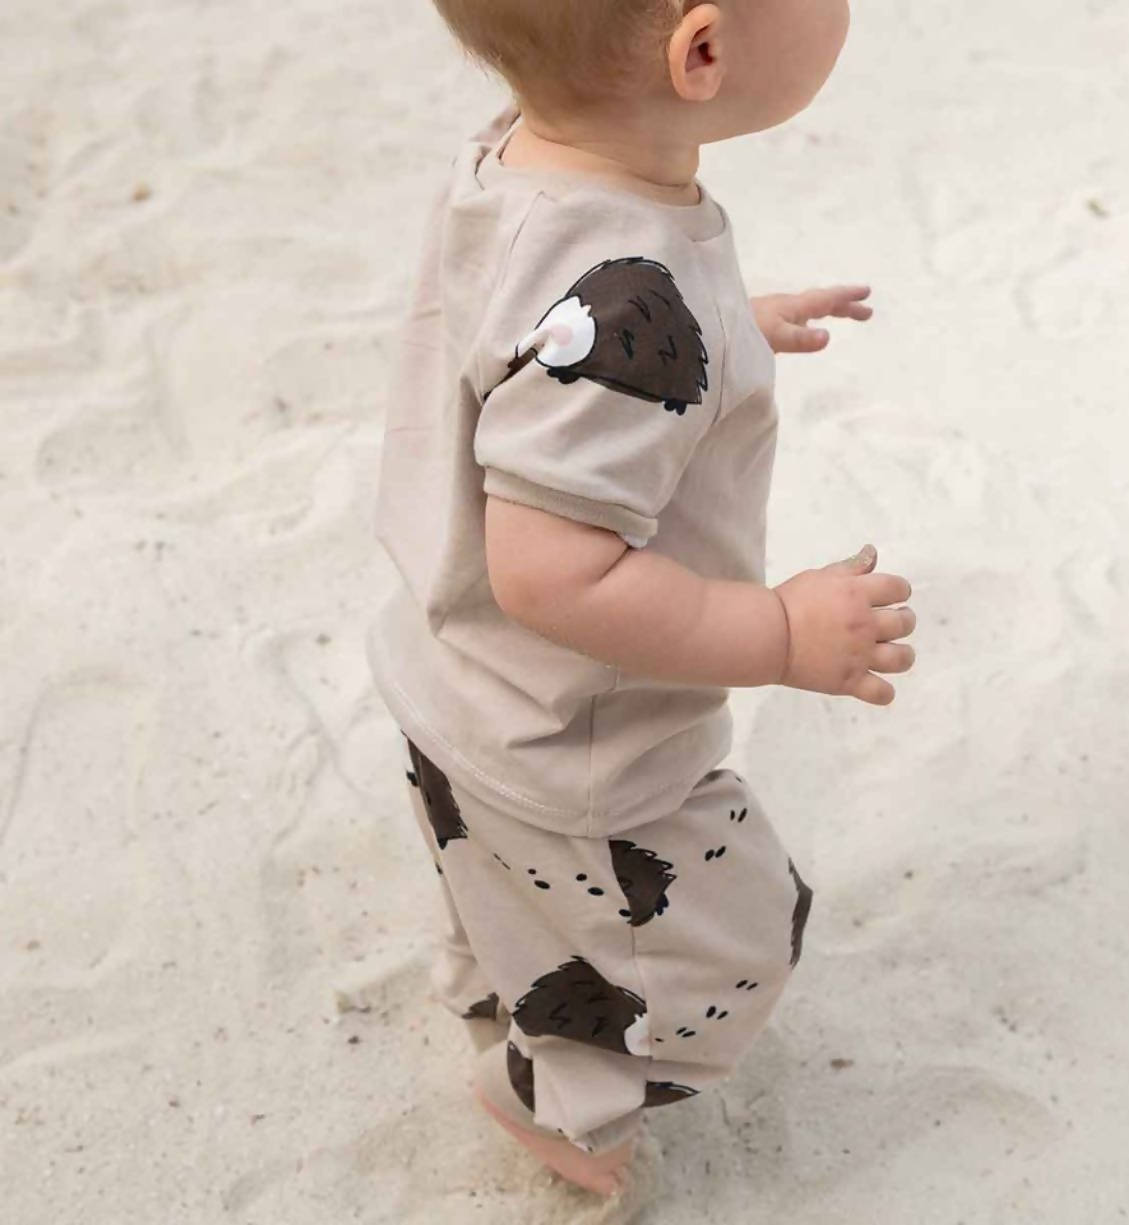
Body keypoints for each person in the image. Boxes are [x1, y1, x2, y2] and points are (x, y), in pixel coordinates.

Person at [365, 0, 917, 1198]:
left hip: (451, 674)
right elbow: (552, 570)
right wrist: (777, 632)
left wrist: (722, 332)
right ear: (702, 52)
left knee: (498, 871)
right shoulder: (624, 300)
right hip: (570, 733)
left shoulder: (517, 159)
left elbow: (528, 339)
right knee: (729, 942)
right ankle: (549, 1099)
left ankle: (491, 976)